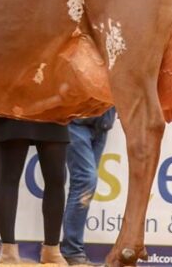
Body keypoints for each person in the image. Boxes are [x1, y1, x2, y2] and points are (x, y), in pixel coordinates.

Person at [0, 117, 69, 264]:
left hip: (53, 111)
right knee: (9, 176)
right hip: (14, 110)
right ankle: (8, 252)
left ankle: (52, 250)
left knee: (56, 179)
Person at [60, 108, 116, 266]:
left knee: (84, 183)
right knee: (85, 181)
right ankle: (72, 250)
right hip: (77, 120)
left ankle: (72, 250)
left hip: (102, 124)